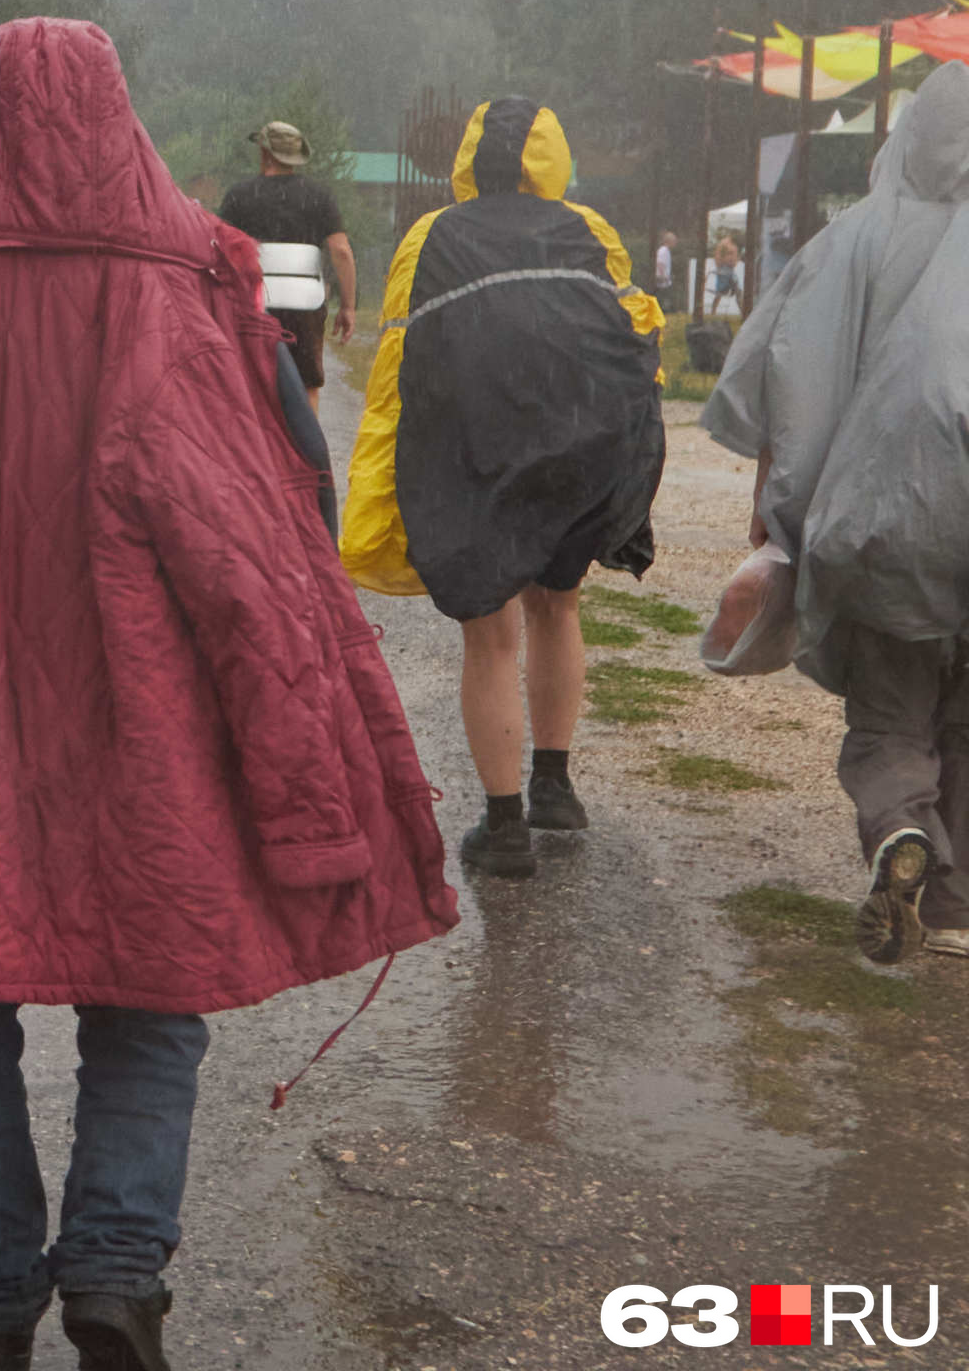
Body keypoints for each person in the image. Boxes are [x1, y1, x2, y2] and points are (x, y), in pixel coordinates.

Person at [0, 20, 453, 1371]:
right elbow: (258, 531)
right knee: (153, 988)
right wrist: (299, 734)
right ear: (121, 115)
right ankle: (118, 1271)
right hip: (155, 703)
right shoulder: (191, 278)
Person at [342, 98, 665, 880]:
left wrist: (382, 480)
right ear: (553, 156)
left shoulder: (431, 236)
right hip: (577, 443)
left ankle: (505, 827)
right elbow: (638, 342)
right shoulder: (591, 230)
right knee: (558, 605)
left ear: (468, 158)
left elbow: (398, 364)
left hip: (474, 448)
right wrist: (630, 464)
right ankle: (555, 787)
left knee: (489, 636)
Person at [702, 62, 969, 963]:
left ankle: (900, 829)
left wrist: (778, 509)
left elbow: (786, 384)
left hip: (888, 519)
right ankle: (957, 905)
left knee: (895, 703)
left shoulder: (849, 239)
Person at [214, 121, 353, 390]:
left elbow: (220, 250)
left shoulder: (239, 196)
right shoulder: (319, 196)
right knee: (306, 387)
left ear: (265, 153)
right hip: (305, 306)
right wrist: (347, 307)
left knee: (251, 386)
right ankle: (306, 431)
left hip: (253, 306)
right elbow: (341, 252)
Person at [711, 227, 743, 314]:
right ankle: (713, 311)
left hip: (731, 270)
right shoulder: (724, 243)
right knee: (720, 292)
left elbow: (735, 254)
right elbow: (718, 256)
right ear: (732, 234)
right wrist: (719, 269)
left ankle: (743, 311)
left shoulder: (734, 243)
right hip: (723, 269)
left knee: (738, 290)